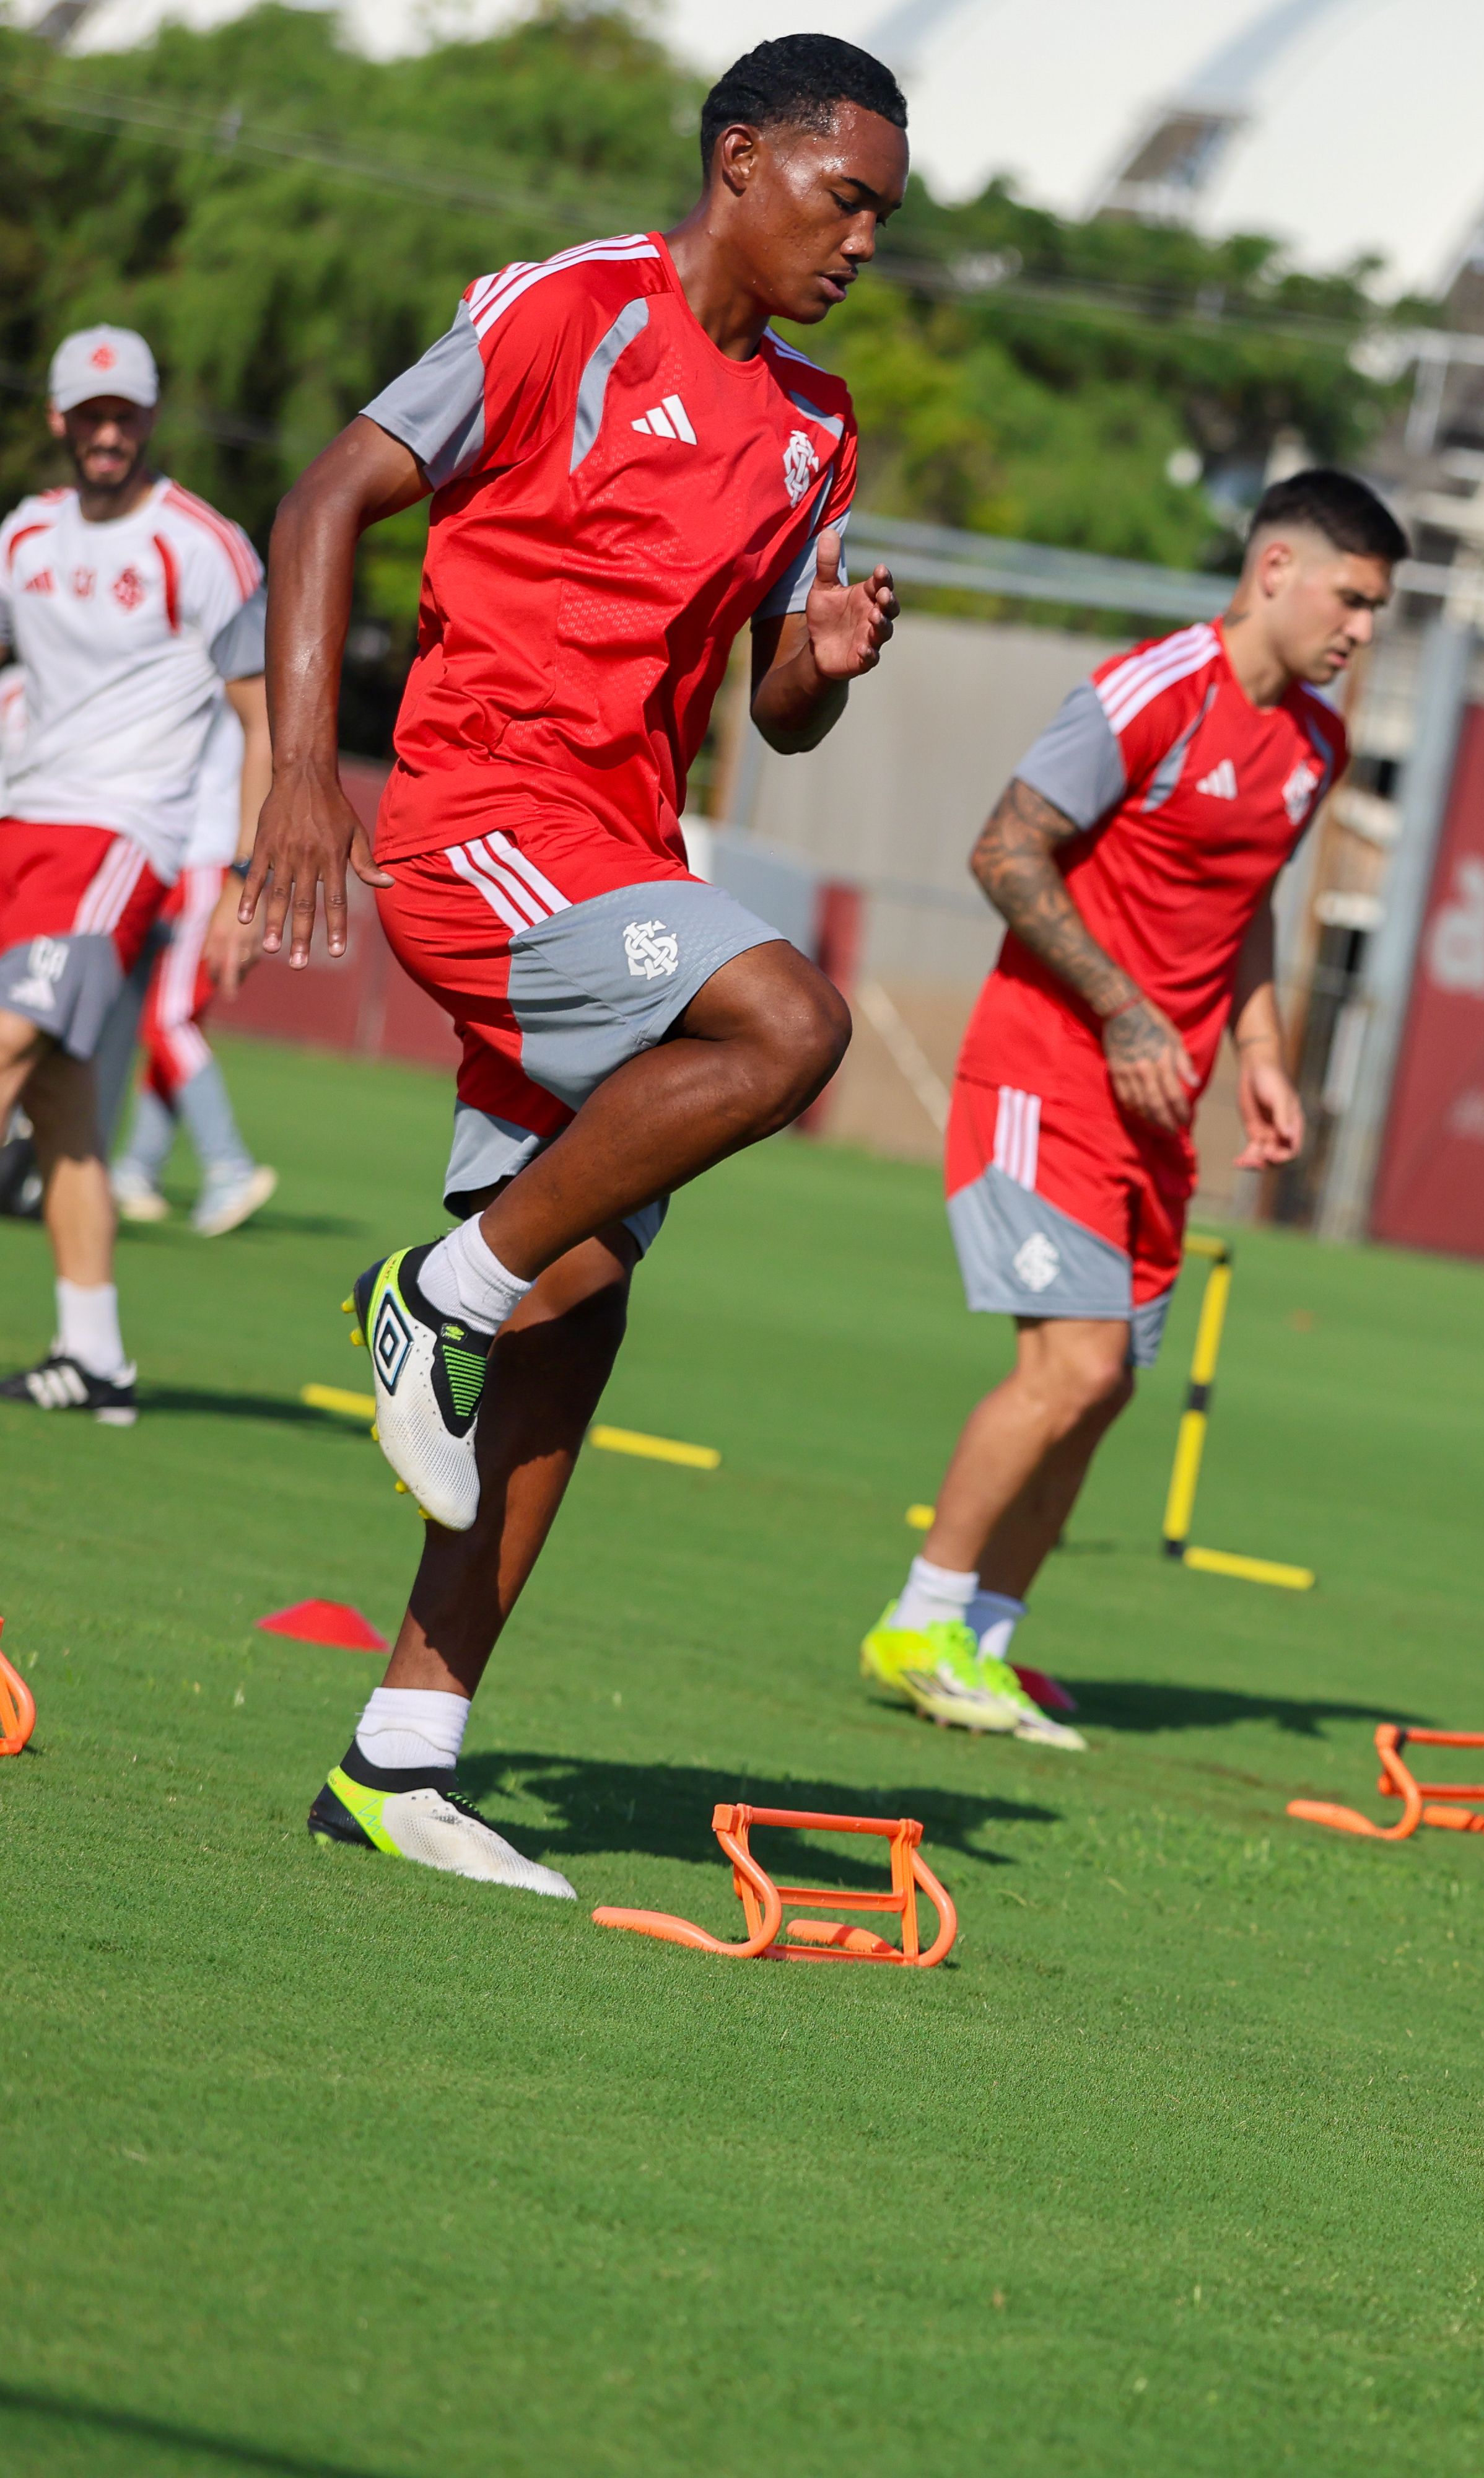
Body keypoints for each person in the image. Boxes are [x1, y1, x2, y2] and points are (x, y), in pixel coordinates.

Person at [245, 35, 906, 1899]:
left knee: (583, 1297)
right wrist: (300, 767)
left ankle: (402, 1756)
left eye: (884, 214)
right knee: (791, 1019)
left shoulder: (819, 424)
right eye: (845, 197)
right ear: (739, 161)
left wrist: (822, 658)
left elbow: (774, 711)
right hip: (478, 823)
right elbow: (322, 500)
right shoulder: (569, 310)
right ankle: (429, 1293)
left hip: (622, 862)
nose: (864, 241)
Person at [857, 470, 1398, 1748]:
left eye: (1380, 609)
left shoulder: (1315, 746)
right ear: (1275, 570)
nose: (1363, 629)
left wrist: (1261, 1051)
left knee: (1103, 1392)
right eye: (1351, 597)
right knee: (1075, 1365)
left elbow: (1247, 906)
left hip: (1159, 1115)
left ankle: (984, 1643)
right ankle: (917, 1622)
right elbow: (1004, 849)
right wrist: (1123, 1010)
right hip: (1043, 1076)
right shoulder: (1151, 692)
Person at [0, 324, 272, 1420]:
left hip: (119, 840)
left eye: (125, 415)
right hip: (17, 821)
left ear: (151, 418)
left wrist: (245, 878)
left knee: (9, 1044)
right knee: (61, 1101)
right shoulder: (24, 536)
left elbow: (264, 717)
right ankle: (95, 1358)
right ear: (60, 420)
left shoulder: (204, 545)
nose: (107, 433)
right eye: (89, 415)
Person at [111, 686, 277, 1233]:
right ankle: (138, 1168)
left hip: (204, 858)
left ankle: (229, 1166)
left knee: (169, 1022)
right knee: (174, 1023)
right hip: (192, 856)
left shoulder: (220, 670)